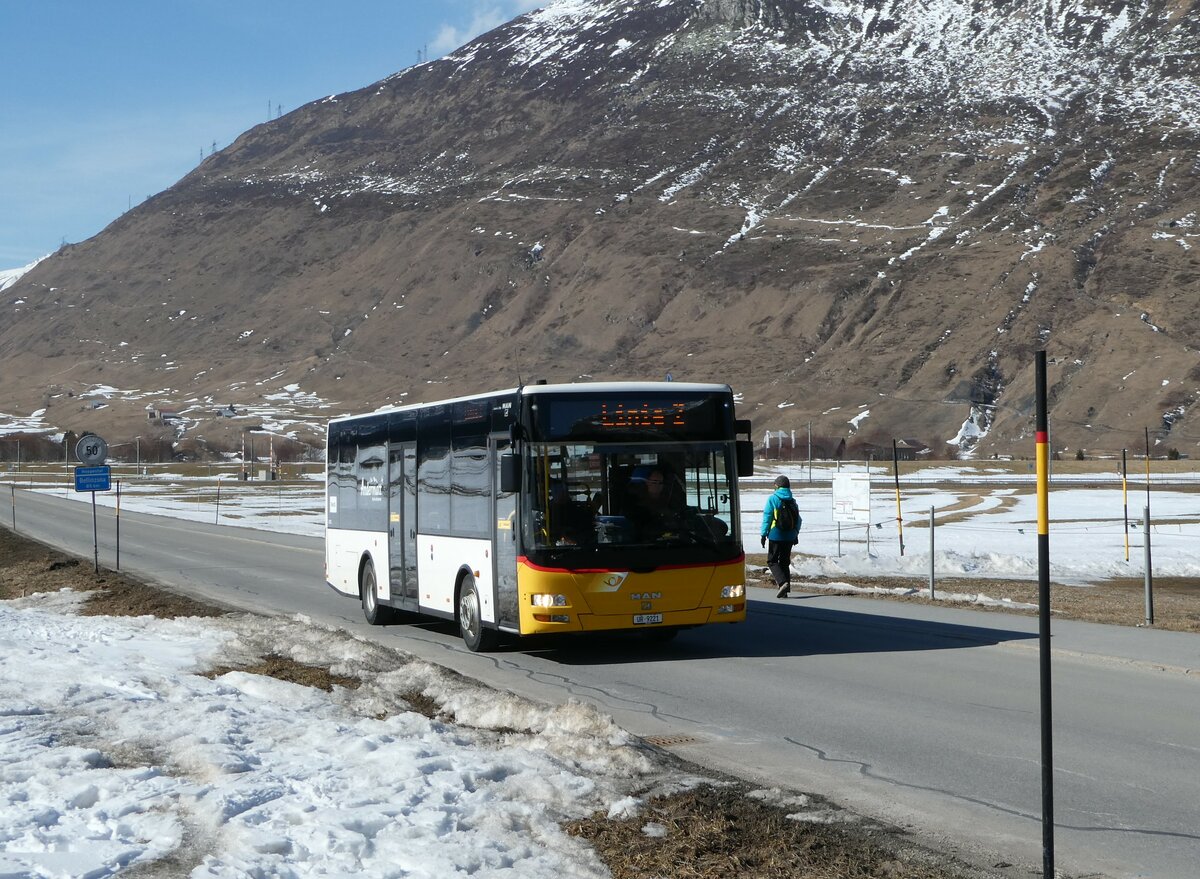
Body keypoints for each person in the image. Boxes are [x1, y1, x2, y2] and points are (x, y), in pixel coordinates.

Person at [760, 475, 801, 598]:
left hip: (776, 534)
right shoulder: (792, 501)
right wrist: (795, 533)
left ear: (777, 486)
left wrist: (763, 534)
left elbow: (767, 518)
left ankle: (782, 583)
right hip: (790, 536)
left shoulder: (773, 499)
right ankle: (785, 591)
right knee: (784, 562)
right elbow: (798, 520)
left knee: (772, 561)